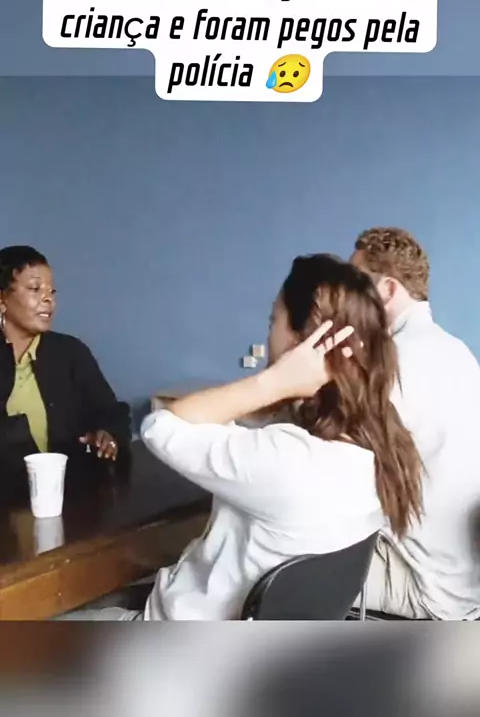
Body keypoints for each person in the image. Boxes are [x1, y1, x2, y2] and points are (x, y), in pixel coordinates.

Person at [62, 254, 422, 621]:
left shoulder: (288, 459)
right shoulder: (376, 448)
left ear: (302, 340)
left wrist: (274, 382)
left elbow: (159, 426)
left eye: (273, 320)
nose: (268, 334)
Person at [351, 227, 480, 620]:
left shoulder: (392, 362)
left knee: (265, 557)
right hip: (465, 580)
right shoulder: (459, 352)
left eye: (356, 285)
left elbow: (334, 464)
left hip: (422, 581)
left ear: (388, 290)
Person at [0, 246, 130, 466]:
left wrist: (108, 434)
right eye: (34, 289)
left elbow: (112, 413)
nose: (48, 300)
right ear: (2, 299)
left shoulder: (70, 352)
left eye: (51, 292)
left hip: (68, 482)